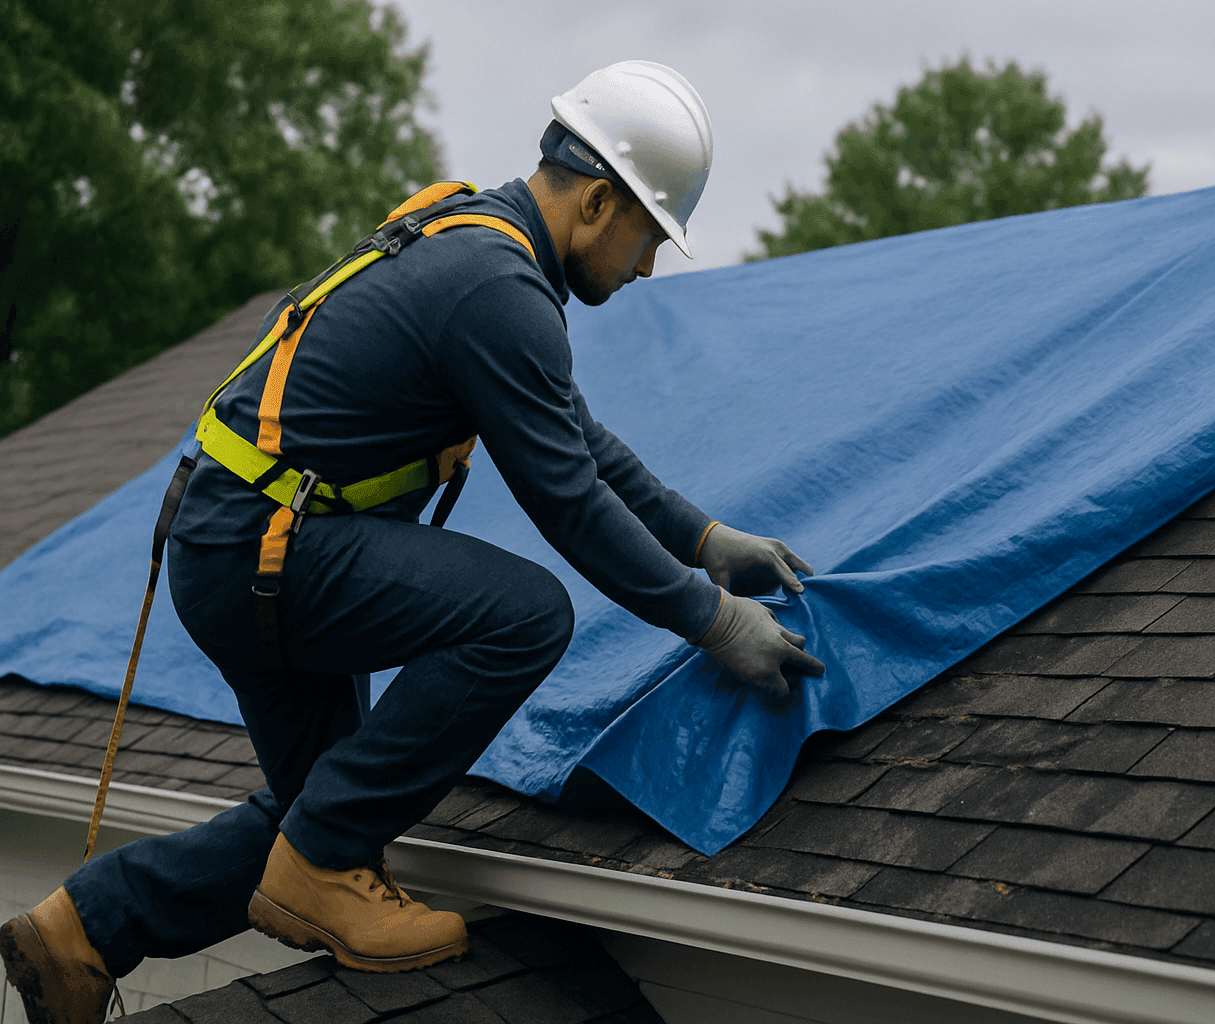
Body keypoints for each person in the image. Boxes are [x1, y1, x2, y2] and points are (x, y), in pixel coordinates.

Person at [0, 60, 825, 1024]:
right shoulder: (495, 288)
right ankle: (320, 865)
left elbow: (576, 433)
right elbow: (569, 503)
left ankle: (80, 931)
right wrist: (716, 621)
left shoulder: (480, 242)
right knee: (524, 616)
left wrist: (703, 535)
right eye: (650, 239)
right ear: (601, 202)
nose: (647, 269)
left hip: (240, 547)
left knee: (323, 805)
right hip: (271, 552)